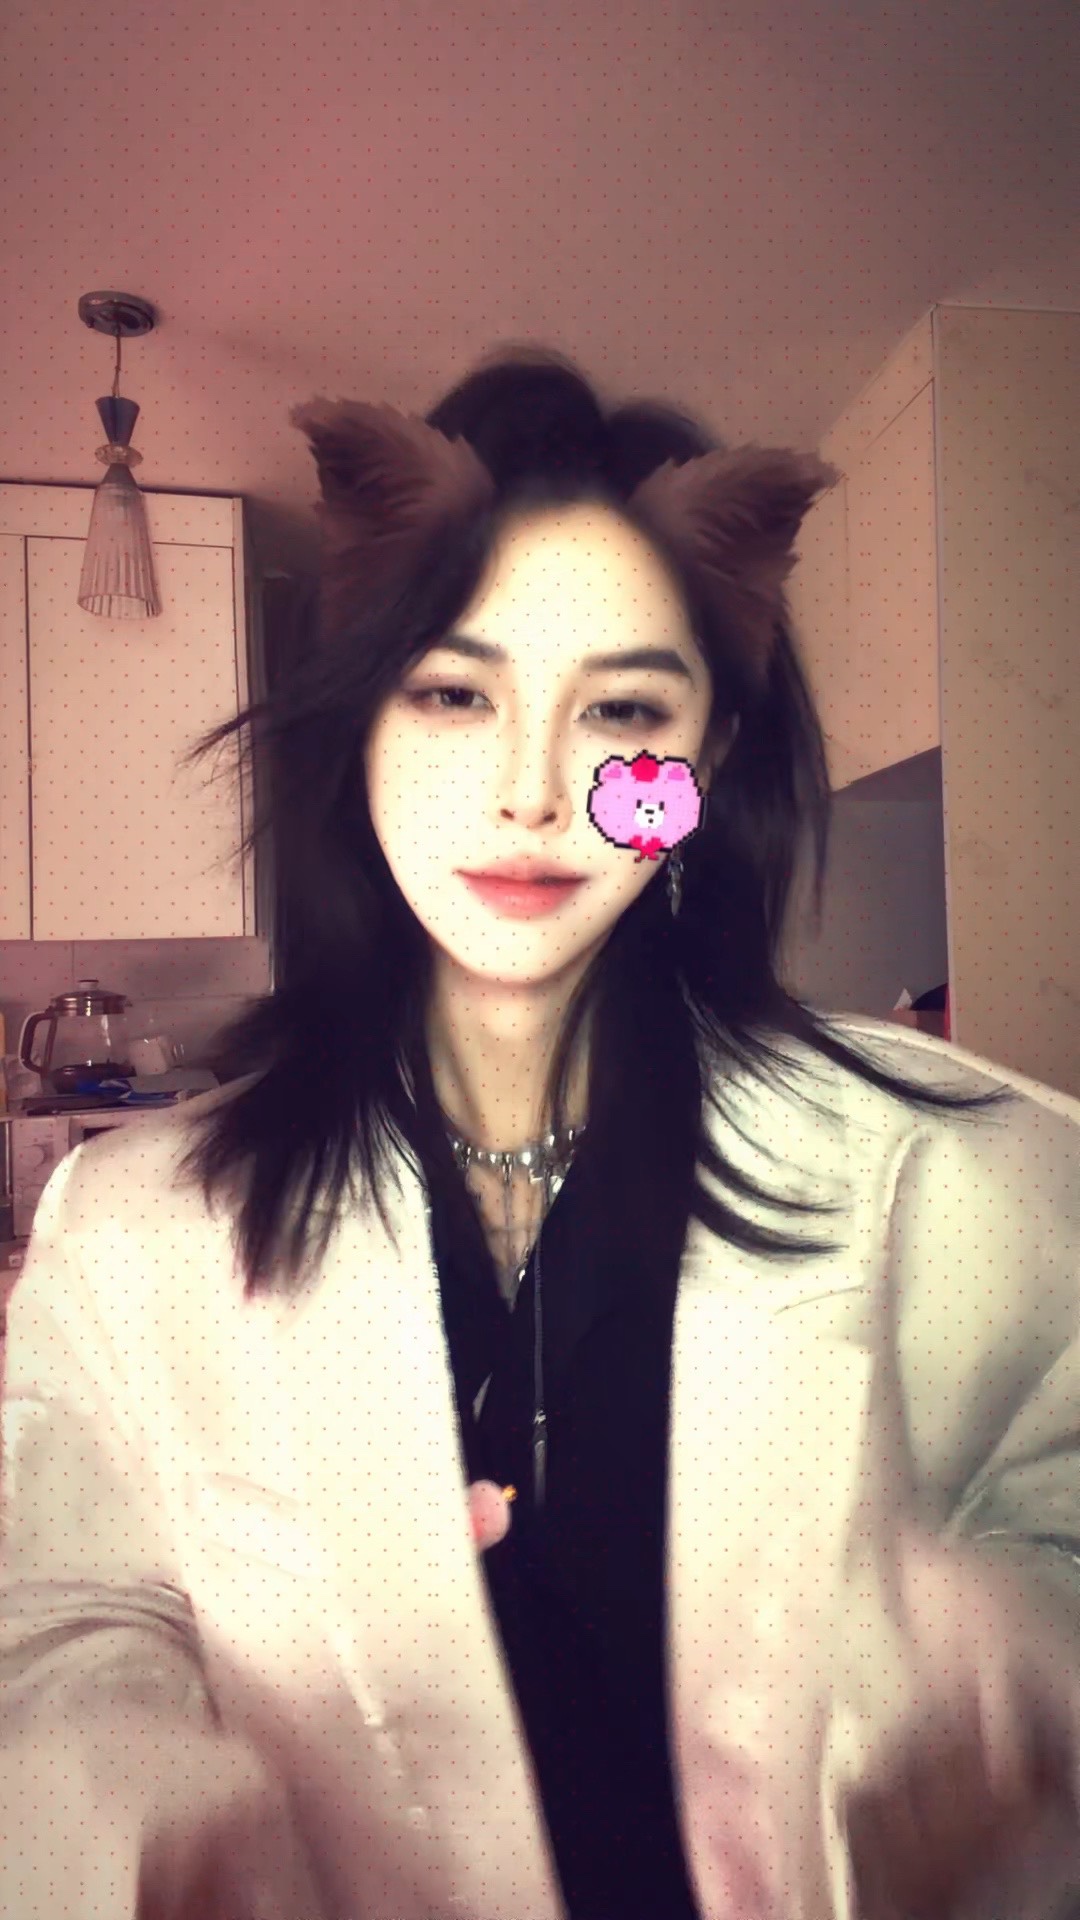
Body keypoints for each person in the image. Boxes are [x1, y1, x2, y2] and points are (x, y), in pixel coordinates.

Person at [2, 348, 1079, 1920]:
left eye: (624, 710)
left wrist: (1009, 1702)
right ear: (359, 724)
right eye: (453, 693)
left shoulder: (968, 1171)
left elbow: (1055, 1518)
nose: (531, 792)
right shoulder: (133, 1230)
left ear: (707, 757)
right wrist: (152, 1832)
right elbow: (65, 1615)